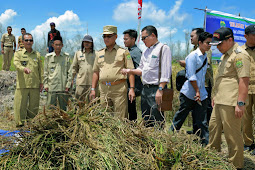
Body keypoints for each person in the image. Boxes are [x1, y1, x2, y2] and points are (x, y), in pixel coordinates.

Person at [209, 27, 250, 169]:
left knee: (232, 135)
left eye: (220, 44)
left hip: (231, 102)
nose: (218, 47)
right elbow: (222, 78)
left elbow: (244, 80)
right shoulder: (224, 55)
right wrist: (215, 95)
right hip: (220, 99)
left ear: (230, 40)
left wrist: (240, 103)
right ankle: (212, 159)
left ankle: (236, 165)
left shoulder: (240, 55)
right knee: (213, 129)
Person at [121, 25, 172, 127]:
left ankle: (158, 140)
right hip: (145, 89)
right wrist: (129, 70)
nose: (143, 40)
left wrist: (160, 89)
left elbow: (166, 72)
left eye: (144, 38)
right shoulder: (145, 51)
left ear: (153, 35)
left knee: (157, 120)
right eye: (142, 38)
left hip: (156, 89)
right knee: (146, 117)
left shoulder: (163, 48)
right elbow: (141, 69)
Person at [171, 32, 212, 145]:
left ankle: (205, 144)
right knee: (181, 116)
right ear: (200, 43)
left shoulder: (204, 56)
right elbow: (191, 76)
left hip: (201, 93)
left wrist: (200, 92)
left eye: (210, 43)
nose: (209, 45)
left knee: (202, 120)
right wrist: (197, 91)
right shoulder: (192, 56)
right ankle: (170, 136)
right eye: (207, 43)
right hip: (189, 93)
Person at [90, 25, 135, 119]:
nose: (106, 39)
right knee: (105, 118)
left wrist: (132, 88)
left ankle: (121, 134)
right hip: (103, 89)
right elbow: (95, 72)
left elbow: (130, 71)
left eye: (109, 36)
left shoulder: (124, 52)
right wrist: (93, 89)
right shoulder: (99, 53)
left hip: (119, 89)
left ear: (115, 37)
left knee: (121, 118)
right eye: (104, 36)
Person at [179, 28, 214, 134]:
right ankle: (196, 131)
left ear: (198, 38)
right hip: (194, 86)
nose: (190, 38)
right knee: (192, 111)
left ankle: (203, 133)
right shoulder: (193, 52)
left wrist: (186, 64)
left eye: (192, 36)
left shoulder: (207, 52)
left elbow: (205, 67)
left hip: (204, 84)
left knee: (204, 111)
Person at [13, 33, 43, 127]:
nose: (28, 42)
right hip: (23, 85)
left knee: (33, 107)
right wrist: (23, 69)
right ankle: (20, 126)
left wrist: (41, 83)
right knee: (20, 106)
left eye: (30, 40)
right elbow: (16, 64)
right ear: (22, 42)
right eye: (26, 40)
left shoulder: (37, 55)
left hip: (34, 85)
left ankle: (31, 125)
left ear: (33, 42)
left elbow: (40, 70)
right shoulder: (18, 54)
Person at [43, 36, 72, 111]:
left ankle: (63, 122)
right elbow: (45, 72)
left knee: (63, 108)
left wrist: (68, 85)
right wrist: (45, 84)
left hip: (63, 87)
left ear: (62, 45)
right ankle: (51, 122)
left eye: (59, 45)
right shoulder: (48, 57)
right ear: (53, 45)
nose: (58, 47)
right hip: (51, 86)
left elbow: (70, 72)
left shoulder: (66, 57)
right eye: (56, 45)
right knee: (50, 108)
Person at [123, 29, 142, 121]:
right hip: (128, 84)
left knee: (131, 108)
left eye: (126, 39)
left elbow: (140, 69)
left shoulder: (136, 52)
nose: (124, 41)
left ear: (133, 39)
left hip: (134, 85)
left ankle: (133, 127)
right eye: (123, 39)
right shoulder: (128, 51)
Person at [241, 24, 255, 154]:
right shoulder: (240, 51)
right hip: (245, 89)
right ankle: (248, 142)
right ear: (246, 36)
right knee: (246, 118)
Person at [72, 35, 96, 102]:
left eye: (88, 42)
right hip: (80, 83)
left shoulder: (96, 54)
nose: (86, 43)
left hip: (92, 83)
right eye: (85, 42)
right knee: (79, 102)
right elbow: (74, 68)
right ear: (82, 43)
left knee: (92, 103)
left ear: (92, 43)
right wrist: (71, 79)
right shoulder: (78, 53)